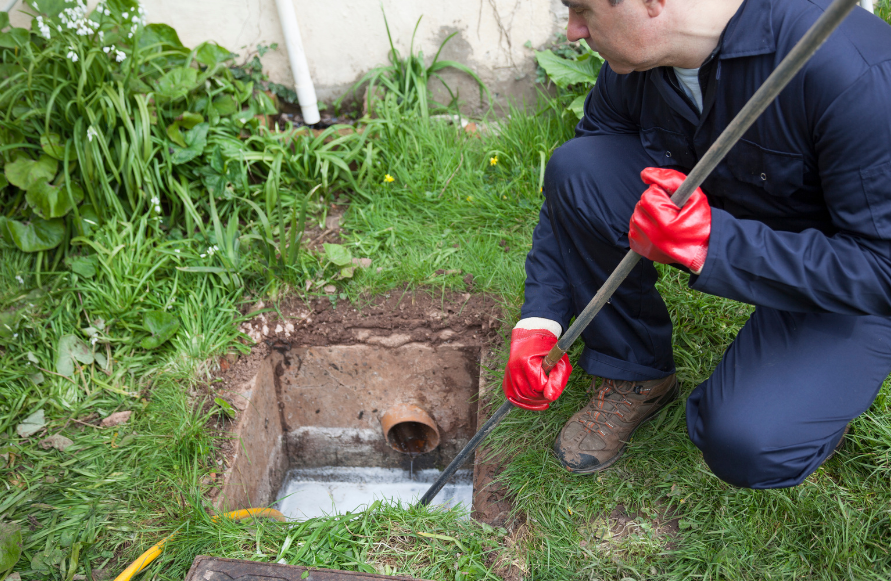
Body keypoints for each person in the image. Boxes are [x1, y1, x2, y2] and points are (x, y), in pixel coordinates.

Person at [502, 0, 891, 489]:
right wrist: (540, 320)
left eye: (583, 11)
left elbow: (883, 269)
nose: (573, 31)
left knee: (748, 440)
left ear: (652, 3)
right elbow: (579, 188)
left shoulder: (855, 72)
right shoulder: (642, 64)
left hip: (850, 274)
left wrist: (714, 244)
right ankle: (635, 370)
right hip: (748, 217)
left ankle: (807, 401)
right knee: (579, 166)